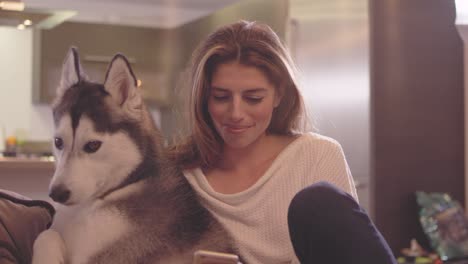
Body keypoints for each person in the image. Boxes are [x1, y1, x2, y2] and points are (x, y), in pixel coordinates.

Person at [168, 20, 396, 264]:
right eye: (221, 97)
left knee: (319, 199)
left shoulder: (317, 155)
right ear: (203, 97)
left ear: (278, 95)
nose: (235, 113)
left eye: (253, 98)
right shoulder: (173, 173)